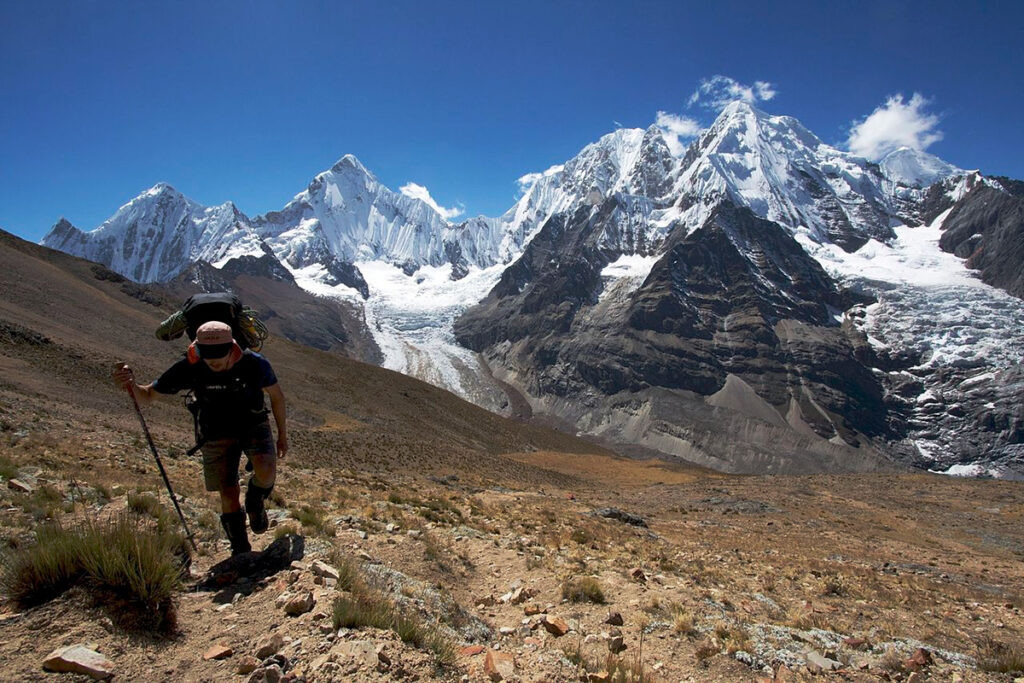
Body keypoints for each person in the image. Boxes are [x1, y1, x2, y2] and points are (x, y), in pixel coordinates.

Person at [114, 321, 287, 555]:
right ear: (196, 349)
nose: (213, 361)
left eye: (219, 355)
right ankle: (240, 550)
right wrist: (131, 386)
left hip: (253, 423)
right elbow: (148, 395)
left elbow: (277, 396)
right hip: (214, 431)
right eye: (207, 355)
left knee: (266, 472)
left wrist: (282, 435)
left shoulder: (254, 363)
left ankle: (255, 500)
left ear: (233, 348)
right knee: (227, 490)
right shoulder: (190, 366)